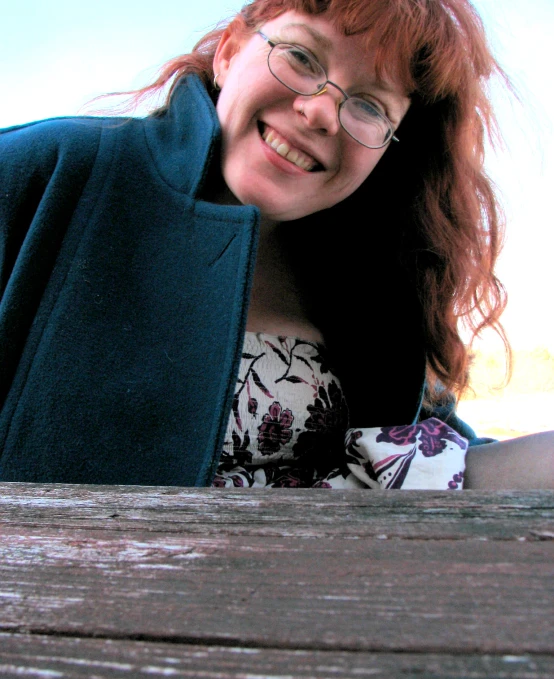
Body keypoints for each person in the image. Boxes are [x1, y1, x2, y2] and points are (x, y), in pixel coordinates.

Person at [0, 0, 552, 489]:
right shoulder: (51, 172)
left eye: (370, 105)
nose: (320, 111)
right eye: (303, 58)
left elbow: (431, 466)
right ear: (230, 51)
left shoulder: (372, 280)